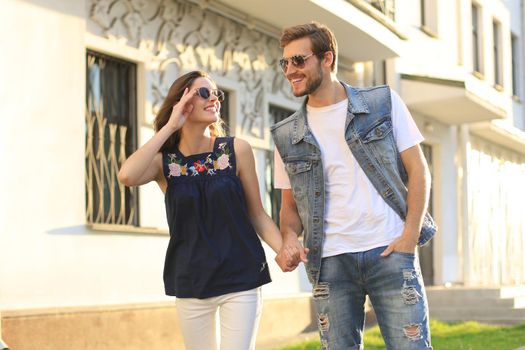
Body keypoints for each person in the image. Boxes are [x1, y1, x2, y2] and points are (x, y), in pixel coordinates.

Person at [271, 22, 437, 350]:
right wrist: (289, 238)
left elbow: (418, 170)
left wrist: (409, 236)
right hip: (330, 262)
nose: (291, 70)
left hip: (389, 249)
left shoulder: (381, 103)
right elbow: (290, 208)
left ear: (327, 59)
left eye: (299, 61)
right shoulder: (285, 135)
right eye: (285, 63)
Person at [118, 70, 292, 350]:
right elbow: (126, 176)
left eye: (216, 93)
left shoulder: (236, 150)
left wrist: (283, 250)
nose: (214, 98)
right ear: (182, 102)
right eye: (203, 93)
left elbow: (256, 213)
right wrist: (170, 127)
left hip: (240, 277)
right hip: (191, 280)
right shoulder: (166, 163)